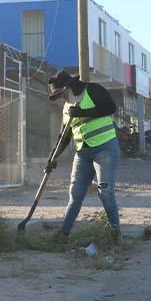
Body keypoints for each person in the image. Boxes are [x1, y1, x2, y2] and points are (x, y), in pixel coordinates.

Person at [46, 70, 121, 238]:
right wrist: (53, 157)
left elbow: (110, 107)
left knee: (105, 191)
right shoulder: (67, 108)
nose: (60, 99)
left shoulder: (92, 90)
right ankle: (64, 233)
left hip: (105, 148)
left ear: (67, 87)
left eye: (60, 94)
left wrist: (82, 113)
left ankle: (115, 233)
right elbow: (64, 137)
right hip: (83, 153)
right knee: (75, 193)